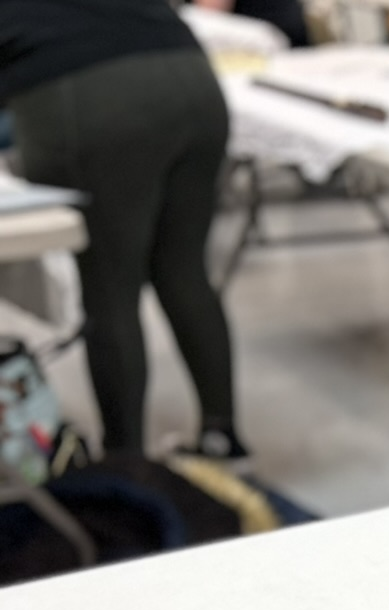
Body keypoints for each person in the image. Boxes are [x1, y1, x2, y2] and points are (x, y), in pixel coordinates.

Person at [1, 0, 249, 465]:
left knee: (110, 291)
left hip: (92, 99)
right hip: (193, 82)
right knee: (184, 270)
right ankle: (224, 441)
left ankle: (127, 466)